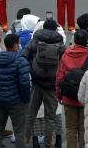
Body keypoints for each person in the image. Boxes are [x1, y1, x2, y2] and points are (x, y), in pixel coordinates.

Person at [23, 19, 65, 148]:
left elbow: (25, 56)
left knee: (31, 114)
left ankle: (24, 140)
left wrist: (33, 71)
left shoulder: (35, 40)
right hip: (51, 85)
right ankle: (48, 144)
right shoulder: (60, 43)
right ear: (55, 29)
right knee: (50, 117)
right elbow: (63, 63)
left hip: (36, 83)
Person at [0, 33, 31, 148]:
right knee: (20, 131)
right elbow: (25, 84)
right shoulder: (21, 61)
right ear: (16, 45)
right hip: (16, 101)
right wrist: (26, 100)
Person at [55, 30, 88, 148]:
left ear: (74, 41)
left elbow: (59, 78)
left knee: (71, 129)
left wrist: (59, 95)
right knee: (84, 129)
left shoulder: (66, 55)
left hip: (69, 98)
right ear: (86, 41)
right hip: (86, 98)